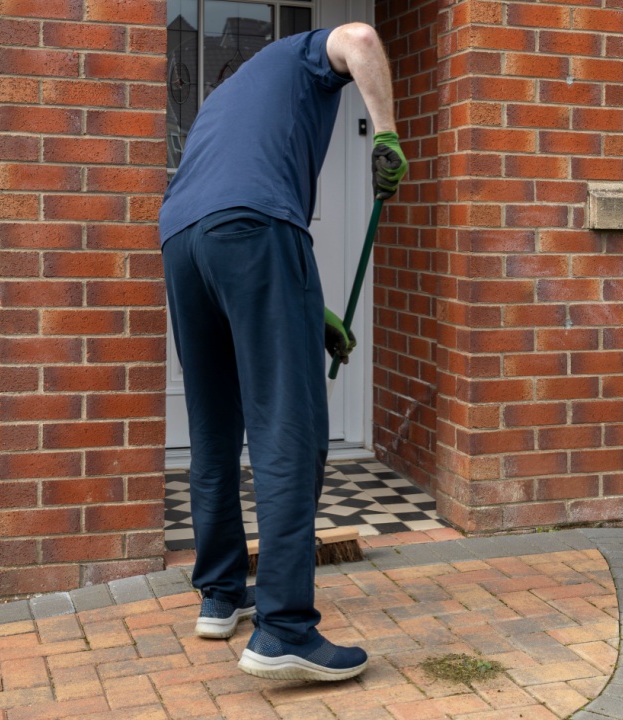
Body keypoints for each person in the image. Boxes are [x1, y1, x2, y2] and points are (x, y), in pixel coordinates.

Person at [158, 23, 406, 682]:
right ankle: (285, 629)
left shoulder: (221, 103)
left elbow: (226, 234)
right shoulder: (297, 53)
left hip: (183, 241)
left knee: (214, 429)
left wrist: (310, 314)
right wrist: (385, 133)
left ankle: (219, 594)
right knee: (288, 426)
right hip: (256, 227)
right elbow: (362, 37)